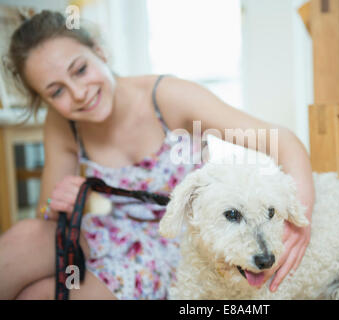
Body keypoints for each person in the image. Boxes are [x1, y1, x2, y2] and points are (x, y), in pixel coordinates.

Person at [0, 10, 315, 300]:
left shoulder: (168, 97)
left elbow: (283, 141)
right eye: (56, 91)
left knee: (38, 295)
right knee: (27, 234)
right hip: (106, 236)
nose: (78, 93)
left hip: (176, 245)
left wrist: (299, 223)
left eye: (80, 70)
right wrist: (57, 204)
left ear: (99, 51)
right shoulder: (62, 123)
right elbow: (48, 220)